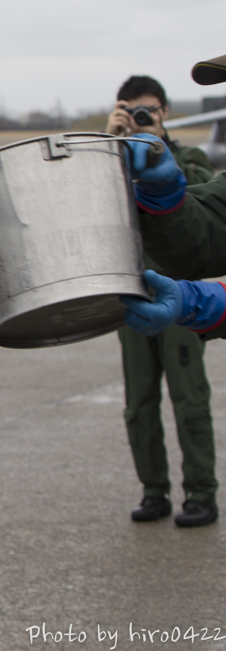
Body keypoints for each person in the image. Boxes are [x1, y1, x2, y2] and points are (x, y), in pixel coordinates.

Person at [103, 76, 218, 526]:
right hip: (131, 293)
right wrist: (112, 144)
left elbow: (204, 208)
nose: (142, 118)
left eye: (148, 111)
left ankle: (201, 493)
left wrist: (158, 147)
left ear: (165, 112)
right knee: (139, 401)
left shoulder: (186, 157)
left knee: (189, 398)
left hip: (181, 292)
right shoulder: (110, 158)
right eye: (133, 111)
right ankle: (154, 490)